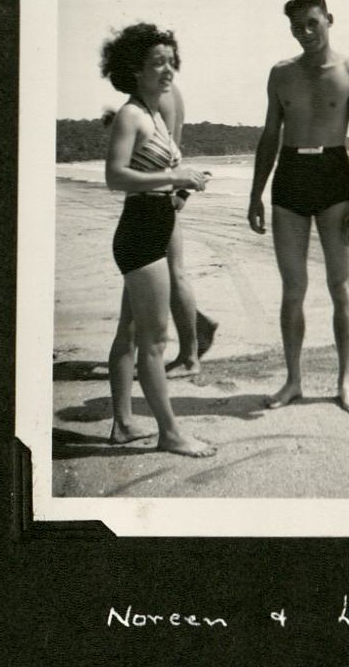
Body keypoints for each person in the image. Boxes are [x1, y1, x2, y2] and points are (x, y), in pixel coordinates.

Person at [246, 0, 349, 414]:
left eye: (312, 23)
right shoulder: (281, 74)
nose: (305, 33)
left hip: (334, 175)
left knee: (340, 285)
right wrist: (255, 194)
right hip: (291, 176)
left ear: (329, 19)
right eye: (297, 27)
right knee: (293, 288)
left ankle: (344, 382)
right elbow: (269, 136)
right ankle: (293, 380)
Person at [99, 23, 215, 457]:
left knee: (129, 333)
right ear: (135, 69)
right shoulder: (131, 114)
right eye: (157, 63)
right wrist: (173, 175)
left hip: (153, 225)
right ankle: (169, 433)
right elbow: (114, 176)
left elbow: (159, 174)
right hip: (141, 234)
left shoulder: (153, 115)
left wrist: (185, 180)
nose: (168, 70)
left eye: (171, 62)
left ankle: (125, 423)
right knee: (154, 340)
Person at [102, 85, 220, 380]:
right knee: (165, 271)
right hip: (166, 192)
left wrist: (178, 193)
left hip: (161, 196)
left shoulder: (161, 96)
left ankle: (189, 353)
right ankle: (191, 338)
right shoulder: (169, 93)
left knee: (170, 270)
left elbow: (166, 149)